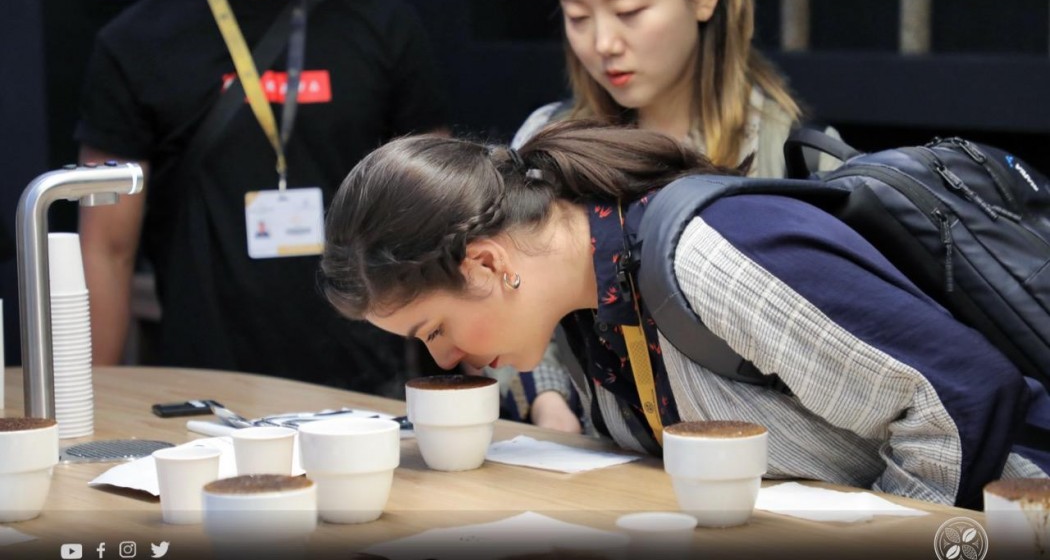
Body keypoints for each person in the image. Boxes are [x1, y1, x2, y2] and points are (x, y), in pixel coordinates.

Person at [319, 121, 1049, 508]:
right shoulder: (582, 309)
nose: (444, 361)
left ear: (485, 264)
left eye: (434, 331)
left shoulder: (712, 253)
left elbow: (963, 400)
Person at [76, 0, 447, 397]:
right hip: (204, 378)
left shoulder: (383, 23)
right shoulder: (136, 40)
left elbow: (440, 215)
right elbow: (106, 248)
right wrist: (90, 402)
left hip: (362, 375)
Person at [507, 0, 844, 433]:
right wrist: (547, 400)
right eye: (578, 16)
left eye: (629, 11)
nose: (603, 43)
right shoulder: (546, 145)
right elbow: (501, 290)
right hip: (590, 449)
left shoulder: (795, 159)